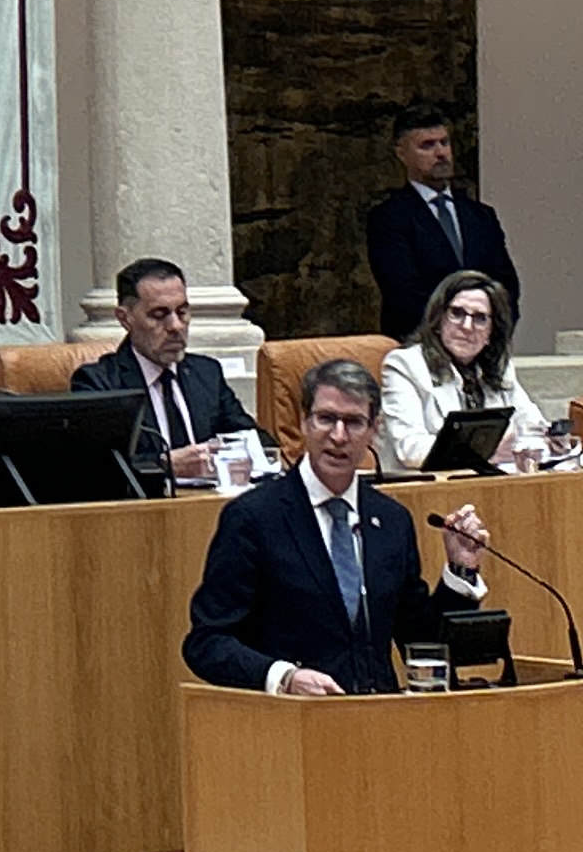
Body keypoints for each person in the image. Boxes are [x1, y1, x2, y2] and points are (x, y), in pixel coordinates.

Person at [184, 355, 491, 695]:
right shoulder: (255, 518)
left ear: (374, 430)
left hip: (380, 724)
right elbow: (207, 643)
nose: (339, 436)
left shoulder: (391, 520)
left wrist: (460, 573)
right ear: (304, 422)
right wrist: (283, 677)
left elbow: (422, 645)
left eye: (354, 422)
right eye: (326, 419)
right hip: (293, 727)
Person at [71, 258, 259, 480]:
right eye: (159, 315)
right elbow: (95, 468)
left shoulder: (206, 373)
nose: (175, 326)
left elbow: (252, 440)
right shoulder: (100, 383)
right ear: (125, 318)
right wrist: (164, 464)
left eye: (182, 312)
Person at [363, 107, 521, 343]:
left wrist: (487, 328)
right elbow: (403, 293)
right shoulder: (389, 218)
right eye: (427, 145)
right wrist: (454, 331)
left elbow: (505, 283)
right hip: (420, 345)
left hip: (484, 345)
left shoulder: (480, 216)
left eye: (444, 143)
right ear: (402, 154)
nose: (440, 153)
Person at [375, 271, 544, 472]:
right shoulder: (405, 365)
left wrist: (549, 438)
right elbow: (410, 449)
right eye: (457, 313)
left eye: (480, 318)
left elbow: (533, 426)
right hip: (427, 487)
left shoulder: (499, 369)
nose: (467, 326)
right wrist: (487, 450)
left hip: (492, 484)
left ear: (493, 331)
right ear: (439, 319)